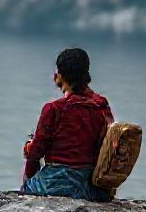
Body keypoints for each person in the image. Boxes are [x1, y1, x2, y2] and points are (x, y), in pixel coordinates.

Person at [20, 48, 114, 202]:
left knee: (28, 186)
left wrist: (28, 180)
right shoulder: (101, 106)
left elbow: (35, 154)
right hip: (90, 186)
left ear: (60, 76)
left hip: (56, 183)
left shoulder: (53, 109)